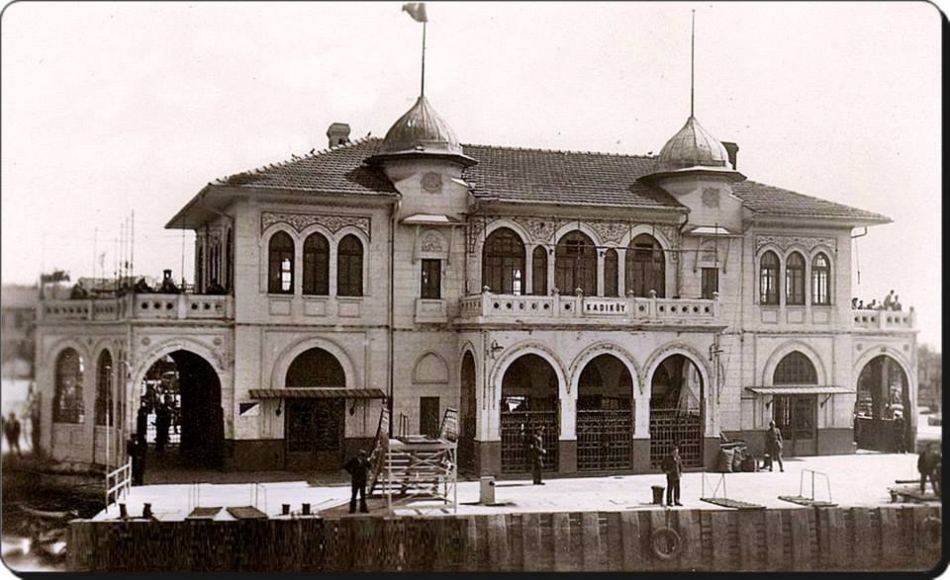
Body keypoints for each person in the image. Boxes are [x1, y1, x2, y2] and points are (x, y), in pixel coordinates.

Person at [344, 449, 371, 513]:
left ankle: (363, 508)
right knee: (354, 494)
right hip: (355, 480)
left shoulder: (365, 461)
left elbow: (370, 466)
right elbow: (346, 466)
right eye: (361, 455)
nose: (362, 457)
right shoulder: (354, 460)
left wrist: (367, 472)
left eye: (363, 456)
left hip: (362, 480)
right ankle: (352, 509)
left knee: (363, 495)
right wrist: (352, 473)